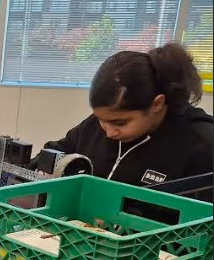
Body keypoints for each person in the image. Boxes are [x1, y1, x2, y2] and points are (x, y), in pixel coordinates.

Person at [36, 43, 213, 190]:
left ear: (156, 104)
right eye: (101, 119)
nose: (109, 132)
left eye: (120, 122)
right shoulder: (95, 127)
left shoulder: (201, 145)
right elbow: (57, 151)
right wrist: (40, 169)